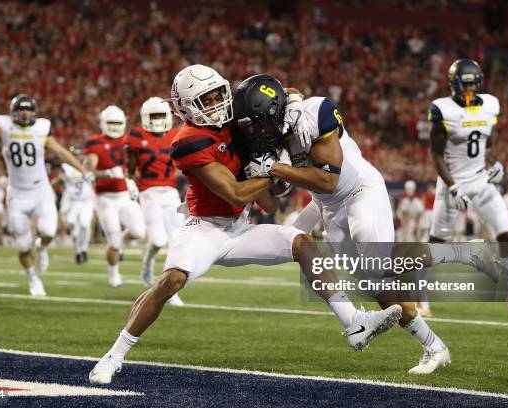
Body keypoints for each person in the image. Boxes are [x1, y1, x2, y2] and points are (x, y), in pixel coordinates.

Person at [89, 64, 403, 385]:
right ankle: (114, 355)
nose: (216, 105)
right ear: (185, 108)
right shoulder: (189, 141)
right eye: (205, 100)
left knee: (303, 244)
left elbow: (269, 202)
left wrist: (291, 103)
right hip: (207, 228)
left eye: (217, 96)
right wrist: (273, 171)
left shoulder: (239, 121)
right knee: (171, 281)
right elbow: (237, 194)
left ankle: (354, 323)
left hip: (241, 228)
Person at [230, 74, 508, 374]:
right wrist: (260, 179)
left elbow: (329, 179)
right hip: (328, 206)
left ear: (274, 112)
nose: (257, 132)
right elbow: (272, 202)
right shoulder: (274, 135)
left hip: (359, 190)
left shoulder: (313, 114)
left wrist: (275, 168)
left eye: (259, 123)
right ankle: (435, 347)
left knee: (375, 263)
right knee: (374, 285)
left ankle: (467, 254)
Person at [424, 59, 508, 314]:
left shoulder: (490, 105)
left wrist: (495, 162)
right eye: (463, 85)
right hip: (452, 182)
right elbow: (436, 156)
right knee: (437, 240)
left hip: (480, 179)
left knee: (506, 233)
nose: (467, 91)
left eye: (471, 85)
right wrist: (453, 188)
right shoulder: (443, 110)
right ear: (453, 85)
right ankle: (419, 299)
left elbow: (488, 142)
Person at [0, 68, 88, 296]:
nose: (25, 114)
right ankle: (33, 279)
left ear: (34, 113)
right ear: (13, 113)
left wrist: (82, 169)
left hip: (41, 190)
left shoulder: (41, 130)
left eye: (28, 111)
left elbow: (59, 152)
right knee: (22, 245)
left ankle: (43, 247)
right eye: (21, 110)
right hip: (17, 194)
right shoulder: (5, 128)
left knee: (48, 231)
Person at [127, 96, 184, 306]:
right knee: (158, 241)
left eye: (162, 114)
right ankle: (148, 262)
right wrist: (129, 181)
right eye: (155, 115)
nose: (159, 119)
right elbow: (130, 168)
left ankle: (170, 290)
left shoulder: (176, 135)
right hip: (148, 192)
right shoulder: (136, 136)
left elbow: (183, 165)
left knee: (176, 242)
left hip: (170, 192)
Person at [83, 105, 145, 287]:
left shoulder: (129, 141)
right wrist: (108, 173)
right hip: (105, 197)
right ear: (102, 123)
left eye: (117, 122)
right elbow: (88, 170)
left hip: (125, 195)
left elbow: (137, 166)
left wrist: (133, 181)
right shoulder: (95, 142)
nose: (114, 126)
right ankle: (114, 275)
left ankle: (118, 243)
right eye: (110, 122)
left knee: (138, 232)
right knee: (114, 240)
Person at [58, 146, 95, 263]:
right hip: (73, 201)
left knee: (85, 225)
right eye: (76, 155)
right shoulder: (67, 167)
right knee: (73, 226)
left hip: (86, 201)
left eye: (80, 155)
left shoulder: (88, 166)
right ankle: (78, 251)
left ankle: (84, 250)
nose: (78, 158)